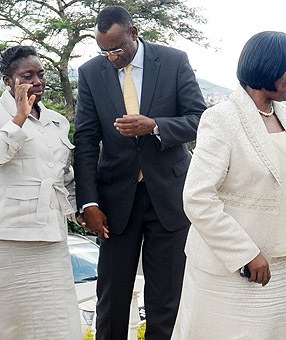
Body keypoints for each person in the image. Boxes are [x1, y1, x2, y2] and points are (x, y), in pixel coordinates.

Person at [73, 5, 206, 340]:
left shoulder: (174, 61)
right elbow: (86, 140)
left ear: (134, 33)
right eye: (103, 51)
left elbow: (200, 119)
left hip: (169, 199)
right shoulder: (90, 73)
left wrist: (156, 126)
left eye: (116, 49)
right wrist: (88, 203)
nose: (111, 58)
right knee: (111, 301)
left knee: (166, 303)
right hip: (116, 203)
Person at [171, 31, 286, 340]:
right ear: (266, 66)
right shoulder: (221, 118)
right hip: (230, 271)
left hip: (277, 272)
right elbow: (197, 198)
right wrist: (246, 254)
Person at [0, 46, 81, 339]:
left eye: (41, 73)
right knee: (14, 325)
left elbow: (63, 175)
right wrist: (19, 118)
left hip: (52, 235)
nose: (37, 80)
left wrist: (80, 212)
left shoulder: (58, 121)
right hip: (11, 238)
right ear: (8, 81)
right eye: (27, 75)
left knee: (60, 324)